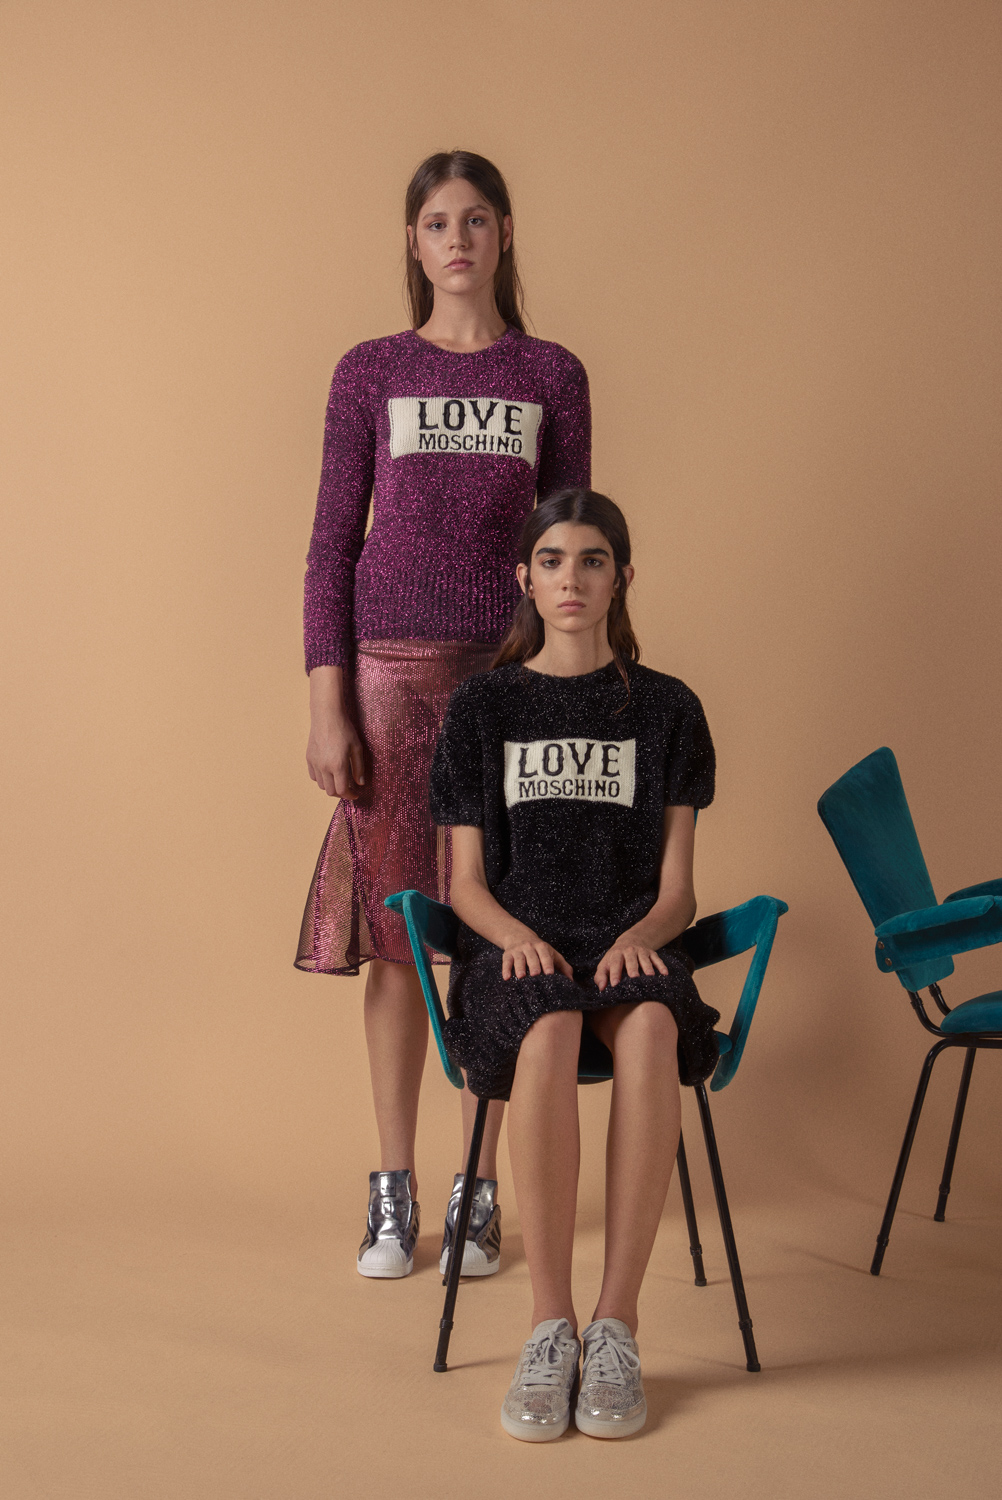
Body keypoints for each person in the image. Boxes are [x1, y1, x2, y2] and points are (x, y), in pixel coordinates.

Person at [296, 151, 591, 1282]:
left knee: (497, 932)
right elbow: (330, 546)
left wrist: (565, 686)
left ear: (505, 233)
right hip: (390, 678)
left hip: (508, 683)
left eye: (475, 219)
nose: (456, 240)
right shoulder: (370, 370)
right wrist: (328, 700)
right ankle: (393, 1188)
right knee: (398, 937)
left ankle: (479, 1185)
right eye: (435, 223)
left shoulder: (550, 373)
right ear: (413, 243)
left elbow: (567, 543)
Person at [429, 488, 719, 1441]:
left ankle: (617, 1325)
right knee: (549, 1026)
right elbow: (464, 883)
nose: (571, 579)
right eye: (552, 560)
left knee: (652, 1025)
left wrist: (645, 936)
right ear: (525, 577)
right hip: (518, 945)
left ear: (621, 577)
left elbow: (678, 889)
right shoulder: (483, 706)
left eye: (592, 560)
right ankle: (549, 1326)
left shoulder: (668, 708)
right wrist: (515, 938)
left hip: (628, 938)